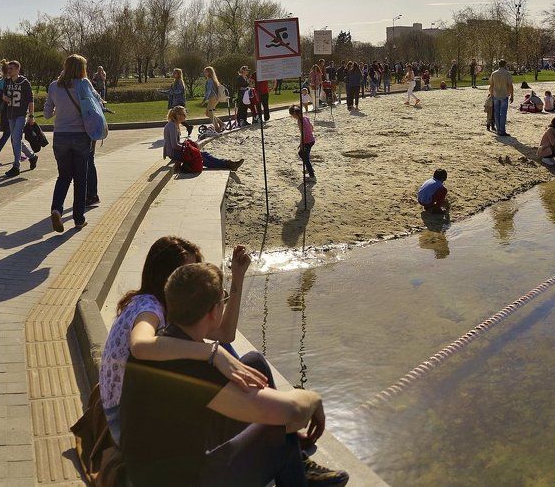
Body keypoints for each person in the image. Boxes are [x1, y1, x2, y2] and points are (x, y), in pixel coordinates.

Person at [119, 262, 348, 486]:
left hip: (151, 468)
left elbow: (224, 339)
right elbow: (293, 411)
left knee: (254, 363)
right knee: (275, 428)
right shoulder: (196, 367)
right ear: (213, 313)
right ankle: (293, 465)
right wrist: (313, 397)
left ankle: (292, 456)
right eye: (223, 300)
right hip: (183, 480)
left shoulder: (159, 345)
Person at [99, 237, 267, 445]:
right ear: (165, 276)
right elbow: (140, 346)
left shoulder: (172, 306)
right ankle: (277, 433)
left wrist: (238, 278)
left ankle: (275, 429)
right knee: (245, 364)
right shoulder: (149, 308)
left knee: (237, 356)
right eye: (186, 273)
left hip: (137, 413)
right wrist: (211, 352)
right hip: (127, 422)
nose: (194, 279)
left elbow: (224, 334)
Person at [43, 55, 99, 232]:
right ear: (82, 68)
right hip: (81, 136)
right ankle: (78, 218)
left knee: (63, 176)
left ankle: (56, 209)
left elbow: (46, 113)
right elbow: (97, 102)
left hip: (60, 136)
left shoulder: (54, 86)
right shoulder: (84, 84)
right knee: (80, 178)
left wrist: (59, 109)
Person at [164, 106, 243, 171]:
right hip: (174, 153)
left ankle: (228, 163)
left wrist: (187, 146)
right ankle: (227, 165)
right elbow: (174, 146)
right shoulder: (172, 126)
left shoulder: (174, 124)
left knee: (204, 154)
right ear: (176, 115)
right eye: (182, 114)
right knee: (200, 157)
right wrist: (188, 148)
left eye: (184, 114)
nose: (184, 116)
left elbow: (173, 143)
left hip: (176, 151)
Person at [0, 60, 38, 177]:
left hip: (21, 115)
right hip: (10, 114)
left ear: (17, 69)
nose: (9, 70)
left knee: (15, 139)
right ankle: (32, 156)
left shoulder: (24, 82)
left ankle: (16, 166)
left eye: (11, 68)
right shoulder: (7, 82)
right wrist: (4, 97)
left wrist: (31, 115)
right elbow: (4, 95)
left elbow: (31, 100)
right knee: (16, 139)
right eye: (8, 68)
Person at [290, 104, 316, 178]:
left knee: (304, 156)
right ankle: (309, 168)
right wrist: (310, 133)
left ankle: (311, 175)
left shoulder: (299, 121)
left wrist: (301, 144)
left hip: (307, 141)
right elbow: (311, 127)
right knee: (303, 154)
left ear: (295, 114)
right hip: (312, 140)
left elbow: (303, 134)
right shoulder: (305, 117)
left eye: (292, 115)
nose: (293, 117)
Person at [489, 60, 514, 136]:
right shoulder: (507, 74)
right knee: (503, 114)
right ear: (505, 65)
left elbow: (491, 85)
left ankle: (498, 129)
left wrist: (491, 94)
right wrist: (512, 95)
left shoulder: (494, 73)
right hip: (504, 94)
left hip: (496, 95)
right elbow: (510, 85)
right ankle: (502, 130)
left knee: (496, 113)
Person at [202, 66, 225, 134]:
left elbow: (209, 91)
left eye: (206, 72)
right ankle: (221, 124)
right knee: (208, 113)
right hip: (215, 98)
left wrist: (204, 100)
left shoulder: (209, 80)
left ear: (209, 73)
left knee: (209, 113)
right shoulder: (213, 80)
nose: (205, 73)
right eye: (205, 72)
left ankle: (217, 128)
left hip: (212, 97)